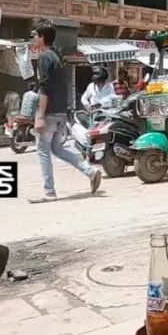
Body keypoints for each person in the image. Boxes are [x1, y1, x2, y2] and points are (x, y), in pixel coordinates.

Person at [30, 22, 102, 203]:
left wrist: (40, 116)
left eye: (35, 35)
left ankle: (49, 192)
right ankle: (90, 171)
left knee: (43, 150)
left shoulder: (44, 57)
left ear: (42, 37)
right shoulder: (57, 57)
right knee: (57, 149)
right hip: (61, 111)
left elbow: (44, 88)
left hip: (50, 113)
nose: (34, 39)